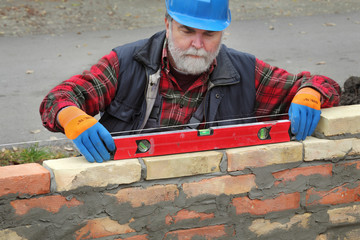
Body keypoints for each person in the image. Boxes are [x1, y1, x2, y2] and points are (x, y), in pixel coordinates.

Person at [40, 0, 341, 163]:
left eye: (209, 35)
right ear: (168, 24)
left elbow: (319, 82)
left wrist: (310, 92)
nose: (198, 44)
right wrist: (72, 118)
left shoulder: (244, 71)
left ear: (222, 34)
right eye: (187, 31)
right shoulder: (127, 62)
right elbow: (59, 98)